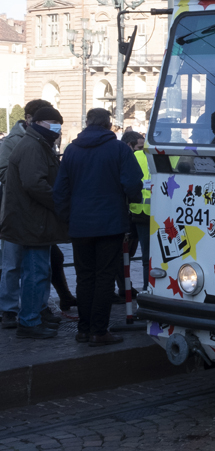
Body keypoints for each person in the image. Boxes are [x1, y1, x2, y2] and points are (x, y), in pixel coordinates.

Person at [54, 108, 142, 345]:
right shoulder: (119, 149)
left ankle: (83, 329)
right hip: (110, 223)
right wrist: (134, 203)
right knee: (104, 277)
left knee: (84, 277)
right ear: (108, 124)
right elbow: (133, 183)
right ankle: (99, 331)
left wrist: (68, 218)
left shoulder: (71, 150)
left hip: (80, 225)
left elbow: (60, 190)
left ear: (87, 123)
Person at [0, 100, 74, 329]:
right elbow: (34, 183)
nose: (57, 129)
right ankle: (24, 318)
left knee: (41, 269)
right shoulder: (30, 145)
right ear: (35, 121)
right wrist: (59, 203)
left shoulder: (39, 143)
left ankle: (35, 312)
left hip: (35, 219)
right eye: (53, 124)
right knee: (26, 268)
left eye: (59, 124)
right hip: (29, 219)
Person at [121, 129, 151, 290]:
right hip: (157, 213)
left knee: (139, 255)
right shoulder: (164, 155)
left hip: (137, 211)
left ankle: (142, 289)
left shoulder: (133, 157)